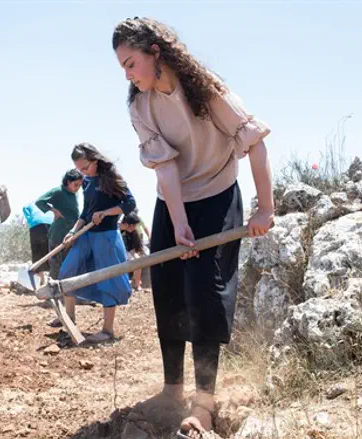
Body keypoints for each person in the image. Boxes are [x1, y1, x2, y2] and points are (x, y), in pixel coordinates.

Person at [113, 18, 274, 437]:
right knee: (166, 289)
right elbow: (164, 170)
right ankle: (172, 389)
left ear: (155, 52)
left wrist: (265, 209)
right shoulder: (140, 106)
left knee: (204, 290)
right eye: (122, 68)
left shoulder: (206, 89)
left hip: (218, 196)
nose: (128, 75)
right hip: (174, 203)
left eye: (131, 63)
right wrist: (180, 226)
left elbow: (254, 142)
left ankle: (204, 405)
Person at [59, 143, 136, 342]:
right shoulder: (86, 181)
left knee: (107, 279)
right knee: (68, 272)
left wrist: (106, 213)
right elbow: (85, 212)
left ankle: (107, 331)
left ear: (95, 160)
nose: (83, 172)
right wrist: (73, 232)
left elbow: (129, 204)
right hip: (86, 235)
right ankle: (70, 321)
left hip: (106, 237)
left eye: (85, 168)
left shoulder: (110, 178)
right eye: (79, 169)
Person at [34, 169, 83, 282]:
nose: (78, 188)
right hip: (58, 234)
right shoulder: (58, 191)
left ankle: (66, 292)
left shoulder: (74, 194)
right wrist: (53, 210)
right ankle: (53, 292)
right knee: (56, 265)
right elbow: (39, 201)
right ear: (68, 182)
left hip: (71, 234)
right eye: (75, 185)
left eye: (80, 185)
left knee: (69, 264)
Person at [22, 202, 54, 287]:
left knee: (37, 253)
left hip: (36, 226)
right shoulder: (49, 205)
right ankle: (52, 279)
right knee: (50, 252)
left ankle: (40, 280)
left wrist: (30, 221)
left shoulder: (29, 205)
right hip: (50, 224)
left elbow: (24, 209)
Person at [119, 212, 149, 291]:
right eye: (133, 225)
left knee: (138, 261)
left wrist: (136, 257)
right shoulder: (116, 229)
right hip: (117, 252)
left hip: (127, 251)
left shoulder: (132, 233)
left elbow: (133, 248)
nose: (134, 227)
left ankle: (137, 284)